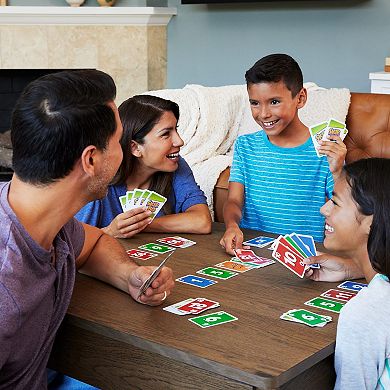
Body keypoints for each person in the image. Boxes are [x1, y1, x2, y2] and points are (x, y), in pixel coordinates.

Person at [0, 70, 174, 389]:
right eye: (118, 141)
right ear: (90, 160)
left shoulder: (49, 219)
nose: (124, 153)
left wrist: (129, 276)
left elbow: (92, 244)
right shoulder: (6, 285)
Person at [220, 53, 347, 255]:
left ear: (301, 98)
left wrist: (338, 170)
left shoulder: (324, 149)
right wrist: (232, 226)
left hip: (307, 255)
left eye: (274, 102)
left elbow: (342, 206)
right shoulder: (245, 146)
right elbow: (234, 200)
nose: (263, 114)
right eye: (255, 103)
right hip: (255, 250)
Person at [75, 94, 212, 238]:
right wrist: (110, 231)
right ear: (135, 148)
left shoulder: (175, 164)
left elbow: (201, 221)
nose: (180, 141)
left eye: (176, 130)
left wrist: (137, 224)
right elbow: (70, 245)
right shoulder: (96, 181)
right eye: (166, 134)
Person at [309, 158, 390, 389]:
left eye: (335, 202)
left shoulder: (363, 314)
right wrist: (351, 268)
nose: (323, 209)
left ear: (370, 222)